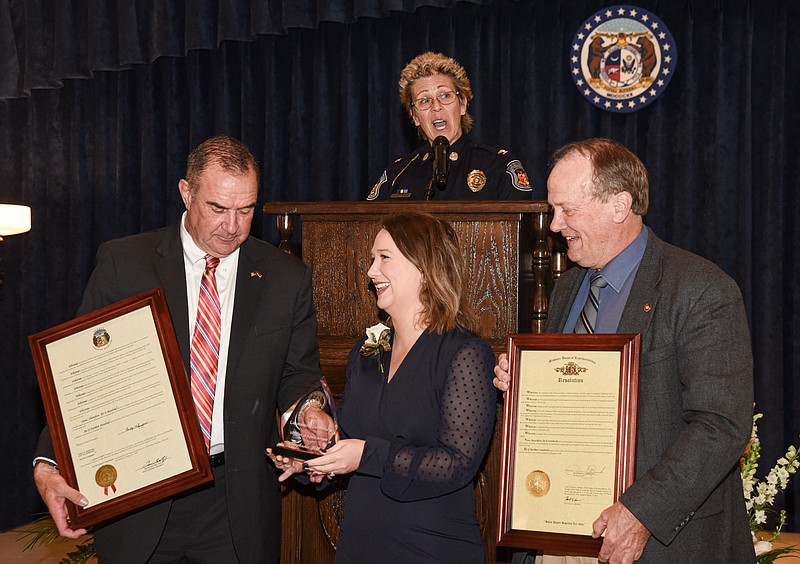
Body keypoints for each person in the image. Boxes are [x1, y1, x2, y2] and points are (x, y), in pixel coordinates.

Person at [33, 135, 323, 564]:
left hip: (236, 502)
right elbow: (82, 376)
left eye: (246, 210)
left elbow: (297, 374)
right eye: (218, 208)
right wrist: (48, 463)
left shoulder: (285, 277)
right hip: (142, 498)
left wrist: (306, 419)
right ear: (186, 193)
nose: (233, 226)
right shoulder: (125, 263)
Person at [493, 139, 754, 563]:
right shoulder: (568, 289)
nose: (554, 224)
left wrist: (641, 511)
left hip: (653, 540)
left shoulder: (700, 289)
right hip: (561, 534)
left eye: (567, 210)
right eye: (553, 209)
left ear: (619, 205)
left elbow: (721, 424)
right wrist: (523, 381)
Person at [269, 212, 497, 563]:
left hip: (431, 547)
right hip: (361, 545)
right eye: (372, 259)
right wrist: (314, 460)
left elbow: (456, 464)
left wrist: (365, 455)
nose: (372, 271)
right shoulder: (367, 349)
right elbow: (351, 442)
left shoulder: (464, 352)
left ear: (424, 266)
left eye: (384, 258)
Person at [366, 52, 545, 200]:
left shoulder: (499, 167)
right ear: (415, 117)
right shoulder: (398, 174)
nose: (436, 107)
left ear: (462, 104)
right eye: (424, 100)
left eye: (445, 96)